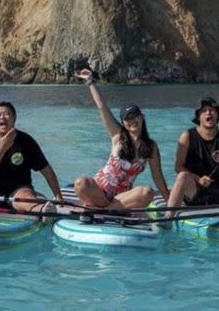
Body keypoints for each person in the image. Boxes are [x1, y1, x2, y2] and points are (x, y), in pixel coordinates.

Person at [72, 69, 170, 210]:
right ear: (123, 123)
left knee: (147, 192)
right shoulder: (117, 135)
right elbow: (102, 107)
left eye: (135, 116)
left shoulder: (151, 147)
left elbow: (158, 178)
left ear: (142, 117)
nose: (132, 121)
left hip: (123, 198)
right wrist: (90, 82)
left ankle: (103, 209)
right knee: (80, 183)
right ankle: (109, 208)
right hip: (99, 191)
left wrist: (170, 204)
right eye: (127, 119)